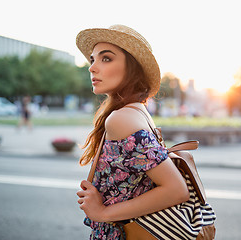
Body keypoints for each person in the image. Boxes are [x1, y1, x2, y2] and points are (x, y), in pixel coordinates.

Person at [75, 25, 192, 239]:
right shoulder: (137, 111)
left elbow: (176, 189)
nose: (92, 67)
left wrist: (102, 212)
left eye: (106, 59)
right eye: (92, 60)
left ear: (132, 69)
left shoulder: (121, 118)